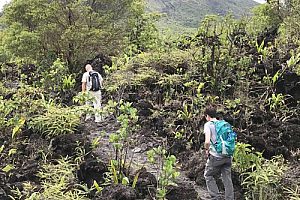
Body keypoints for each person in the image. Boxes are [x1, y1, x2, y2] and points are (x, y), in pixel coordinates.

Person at [203, 105, 234, 200]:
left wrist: (207, 149)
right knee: (227, 179)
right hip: (228, 156)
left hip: (216, 156)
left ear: (207, 116)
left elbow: (207, 141)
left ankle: (215, 197)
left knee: (208, 175)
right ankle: (229, 198)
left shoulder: (208, 125)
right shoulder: (224, 123)